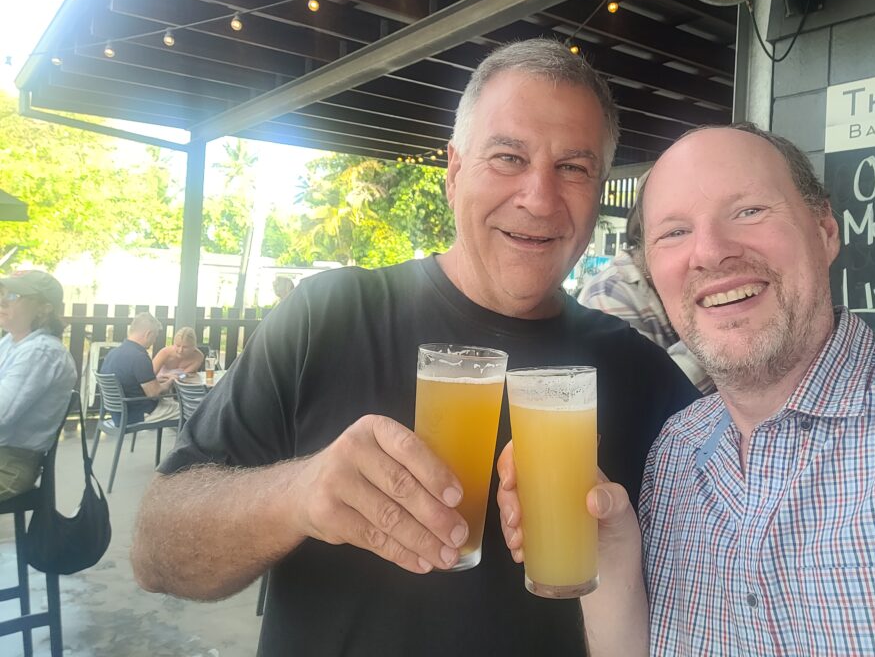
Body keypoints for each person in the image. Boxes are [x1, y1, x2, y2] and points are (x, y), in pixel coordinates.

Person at [130, 39, 700, 656]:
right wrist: (297, 495)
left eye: (573, 168)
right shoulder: (328, 317)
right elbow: (156, 553)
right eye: (508, 157)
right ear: (454, 172)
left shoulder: (641, 372)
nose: (538, 197)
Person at [499, 122, 875, 656]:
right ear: (653, 273)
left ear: (825, 231)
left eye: (749, 210)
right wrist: (611, 548)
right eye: (674, 232)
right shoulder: (674, 454)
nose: (710, 252)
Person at [578, 175, 711, 392]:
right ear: (641, 242)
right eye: (676, 233)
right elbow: (641, 396)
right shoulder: (610, 293)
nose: (707, 253)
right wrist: (719, 335)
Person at [0, 271, 77, 501]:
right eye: (2, 293)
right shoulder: (11, 342)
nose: (3, 301)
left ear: (44, 308)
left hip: (9, 465)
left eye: (14, 295)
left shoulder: (41, 351)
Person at [100, 312, 179, 425]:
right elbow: (154, 393)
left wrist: (156, 381)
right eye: (155, 337)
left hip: (118, 414)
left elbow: (130, 381)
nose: (154, 341)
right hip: (137, 414)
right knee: (188, 411)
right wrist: (170, 381)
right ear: (148, 334)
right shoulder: (139, 357)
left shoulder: (113, 353)